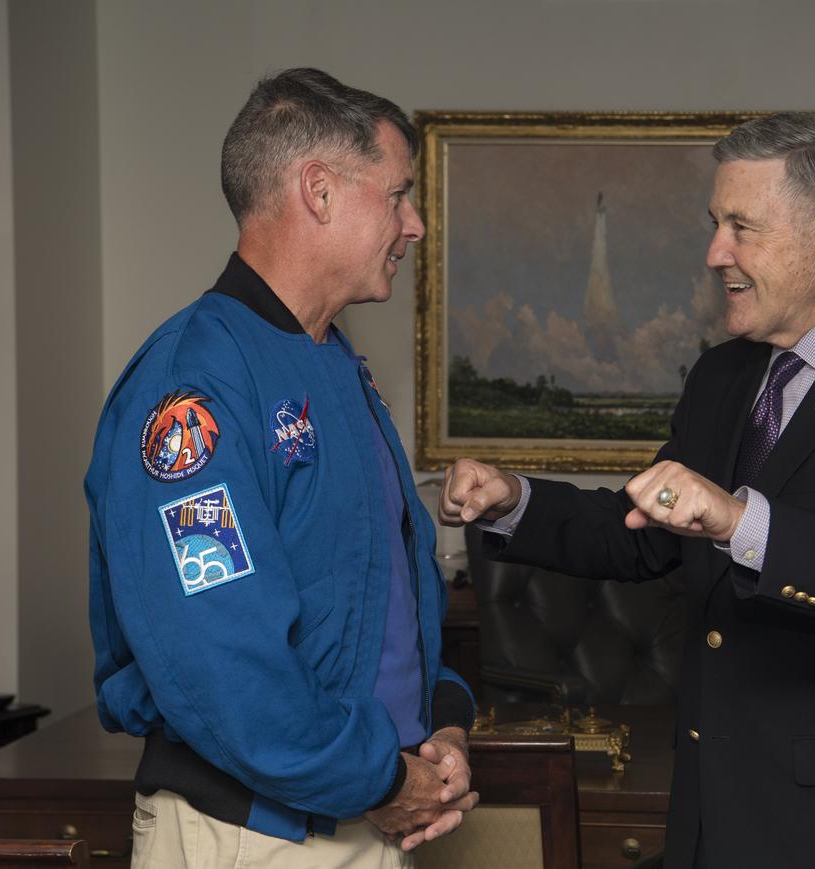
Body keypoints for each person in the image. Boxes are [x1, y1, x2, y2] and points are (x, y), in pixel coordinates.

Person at [441, 112, 815, 869]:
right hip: (711, 821)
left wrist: (741, 520)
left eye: (742, 226)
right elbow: (643, 530)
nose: (714, 253)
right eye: (714, 223)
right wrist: (516, 500)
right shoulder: (722, 376)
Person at [86, 68, 477, 868]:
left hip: (365, 811)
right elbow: (222, 659)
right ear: (320, 191)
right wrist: (377, 774)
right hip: (257, 834)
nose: (416, 224)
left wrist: (442, 721)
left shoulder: (332, 364)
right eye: (398, 194)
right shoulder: (194, 387)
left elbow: (390, 590)